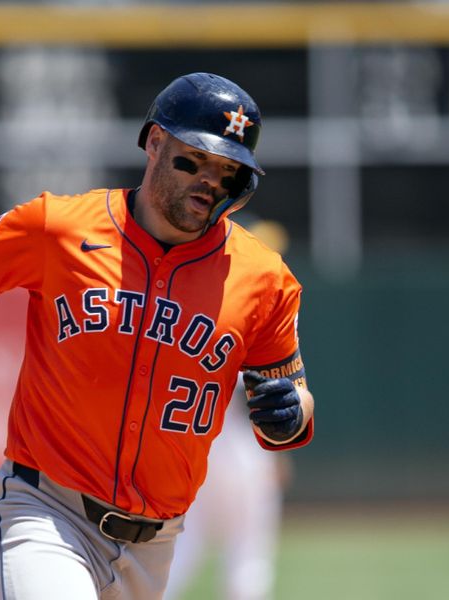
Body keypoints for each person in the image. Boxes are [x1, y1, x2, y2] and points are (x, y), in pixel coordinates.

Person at [0, 72, 315, 600]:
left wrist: (294, 411)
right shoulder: (61, 226)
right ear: (153, 142)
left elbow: (294, 395)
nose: (209, 181)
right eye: (193, 159)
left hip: (155, 546)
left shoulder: (262, 276)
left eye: (228, 171)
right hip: (43, 512)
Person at [163, 218, 293, 600]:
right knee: (249, 553)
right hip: (241, 449)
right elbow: (265, 397)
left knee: (182, 547)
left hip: (197, 447)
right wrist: (276, 453)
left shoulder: (202, 301)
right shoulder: (261, 310)